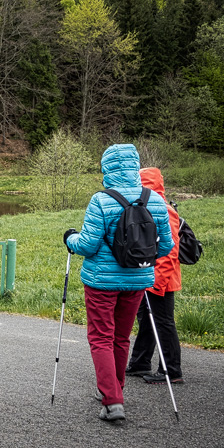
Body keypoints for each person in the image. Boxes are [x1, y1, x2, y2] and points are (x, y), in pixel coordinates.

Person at [63, 144, 173, 423]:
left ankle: (112, 400)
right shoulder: (155, 200)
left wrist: (69, 239)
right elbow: (165, 247)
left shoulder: (101, 200)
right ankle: (116, 390)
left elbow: (87, 246)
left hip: (101, 282)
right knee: (121, 337)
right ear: (135, 165)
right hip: (137, 281)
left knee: (101, 337)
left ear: (106, 168)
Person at [126, 167, 184, 385]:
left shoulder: (164, 209)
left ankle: (171, 370)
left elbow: (171, 253)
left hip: (162, 279)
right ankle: (140, 363)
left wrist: (156, 283)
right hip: (148, 275)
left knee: (163, 323)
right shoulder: (145, 206)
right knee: (146, 321)